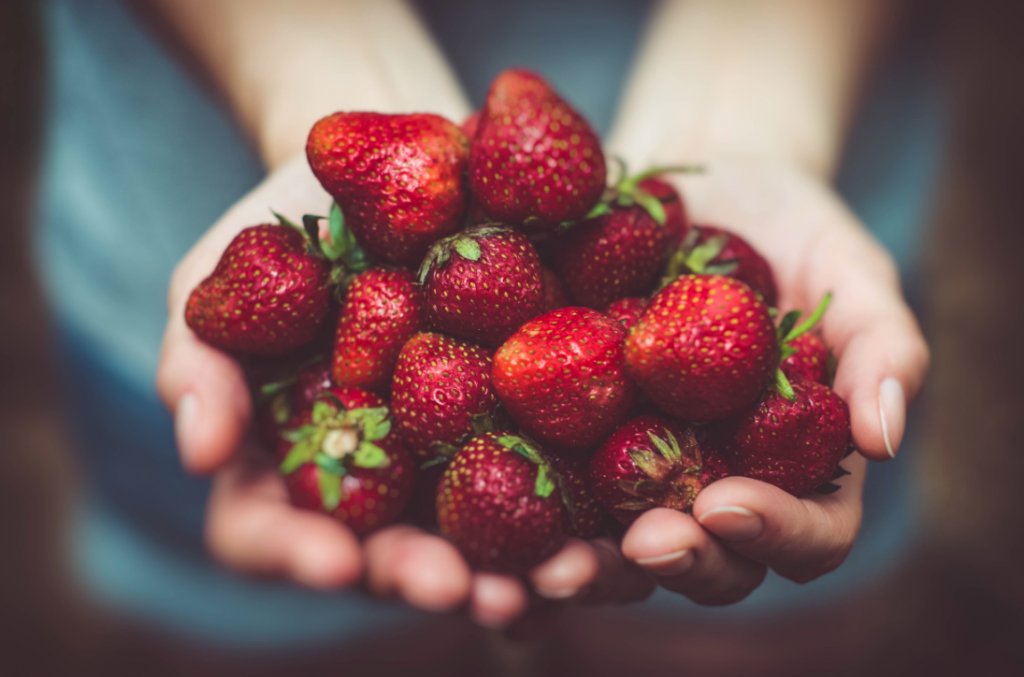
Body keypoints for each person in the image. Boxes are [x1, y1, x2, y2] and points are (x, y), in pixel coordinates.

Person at [37, 0, 932, 645]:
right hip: (176, 187)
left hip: (814, 99)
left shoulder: (622, 320)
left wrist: (751, 123)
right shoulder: (443, 311)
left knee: (735, 640)